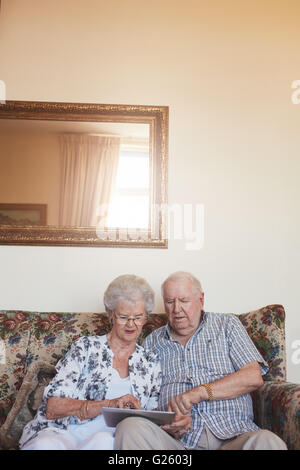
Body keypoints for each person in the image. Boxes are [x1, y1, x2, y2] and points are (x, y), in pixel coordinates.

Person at [114, 271, 287, 450]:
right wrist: (167, 423)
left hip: (234, 437)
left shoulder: (227, 325)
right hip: (177, 443)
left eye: (184, 300)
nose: (176, 309)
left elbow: (253, 376)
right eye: (170, 301)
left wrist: (200, 392)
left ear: (201, 299)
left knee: (268, 442)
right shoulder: (152, 342)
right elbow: (145, 400)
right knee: (130, 428)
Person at [19, 274, 162, 450]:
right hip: (62, 431)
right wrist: (109, 404)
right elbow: (53, 407)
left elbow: (151, 421)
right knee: (45, 446)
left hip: (109, 439)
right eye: (124, 317)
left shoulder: (150, 363)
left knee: (105, 443)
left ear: (146, 317)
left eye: (138, 317)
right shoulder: (85, 347)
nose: (131, 325)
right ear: (111, 314)